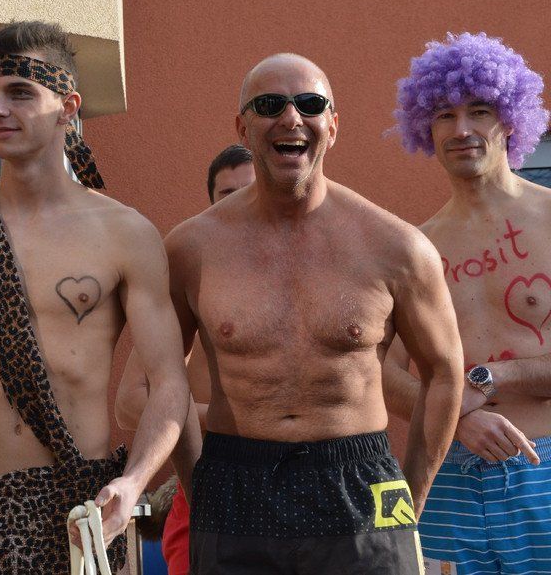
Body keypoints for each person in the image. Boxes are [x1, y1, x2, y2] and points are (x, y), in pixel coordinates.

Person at [0, 21, 190, 575]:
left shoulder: (125, 234)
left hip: (80, 513)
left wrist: (133, 482)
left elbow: (169, 382)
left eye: (20, 93)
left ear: (67, 107)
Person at [168, 53, 463, 574]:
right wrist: (201, 485)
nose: (291, 118)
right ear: (242, 127)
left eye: (309, 104)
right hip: (235, 481)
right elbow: (160, 377)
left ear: (333, 124)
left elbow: (444, 371)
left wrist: (409, 501)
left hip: (359, 483)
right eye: (269, 105)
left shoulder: (396, 247)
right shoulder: (192, 248)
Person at [384, 32, 551, 575]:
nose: (461, 130)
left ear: (510, 120)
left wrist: (490, 378)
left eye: (479, 111)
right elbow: (378, 369)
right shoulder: (414, 248)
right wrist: (456, 420)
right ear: (425, 130)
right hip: (448, 476)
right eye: (444, 115)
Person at [115, 142, 255, 575]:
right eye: (227, 196)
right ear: (210, 206)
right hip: (209, 491)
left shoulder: (310, 277)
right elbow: (131, 402)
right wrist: (226, 418)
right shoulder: (194, 281)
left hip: (301, 496)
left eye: (252, 191)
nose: (242, 206)